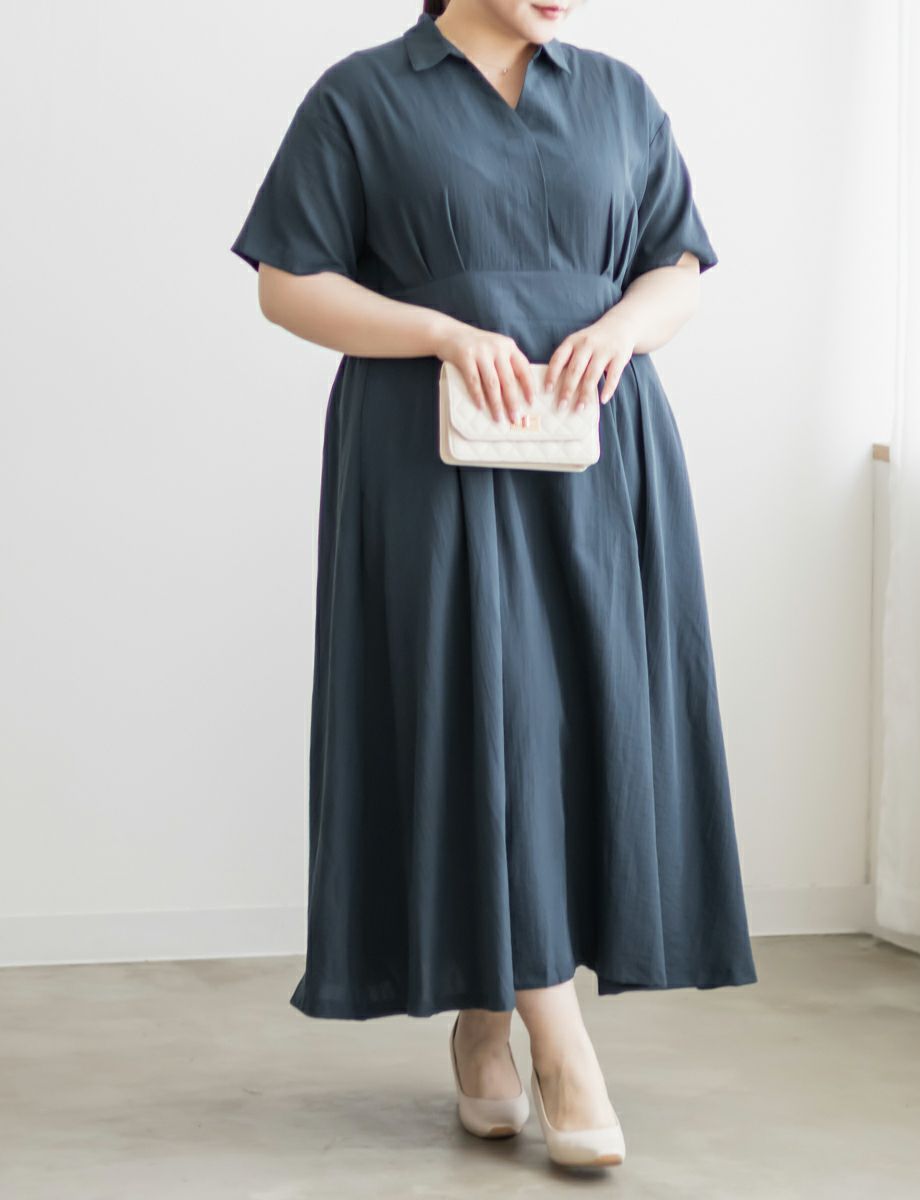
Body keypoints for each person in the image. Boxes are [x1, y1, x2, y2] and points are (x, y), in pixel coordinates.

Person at [230, 0, 757, 1169]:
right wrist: (440, 332)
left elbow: (676, 263)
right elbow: (286, 281)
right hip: (429, 455)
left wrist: (624, 328)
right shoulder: (363, 95)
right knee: (484, 720)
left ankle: (486, 1011)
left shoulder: (618, 94)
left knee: (575, 732)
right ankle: (562, 1050)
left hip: (600, 451)